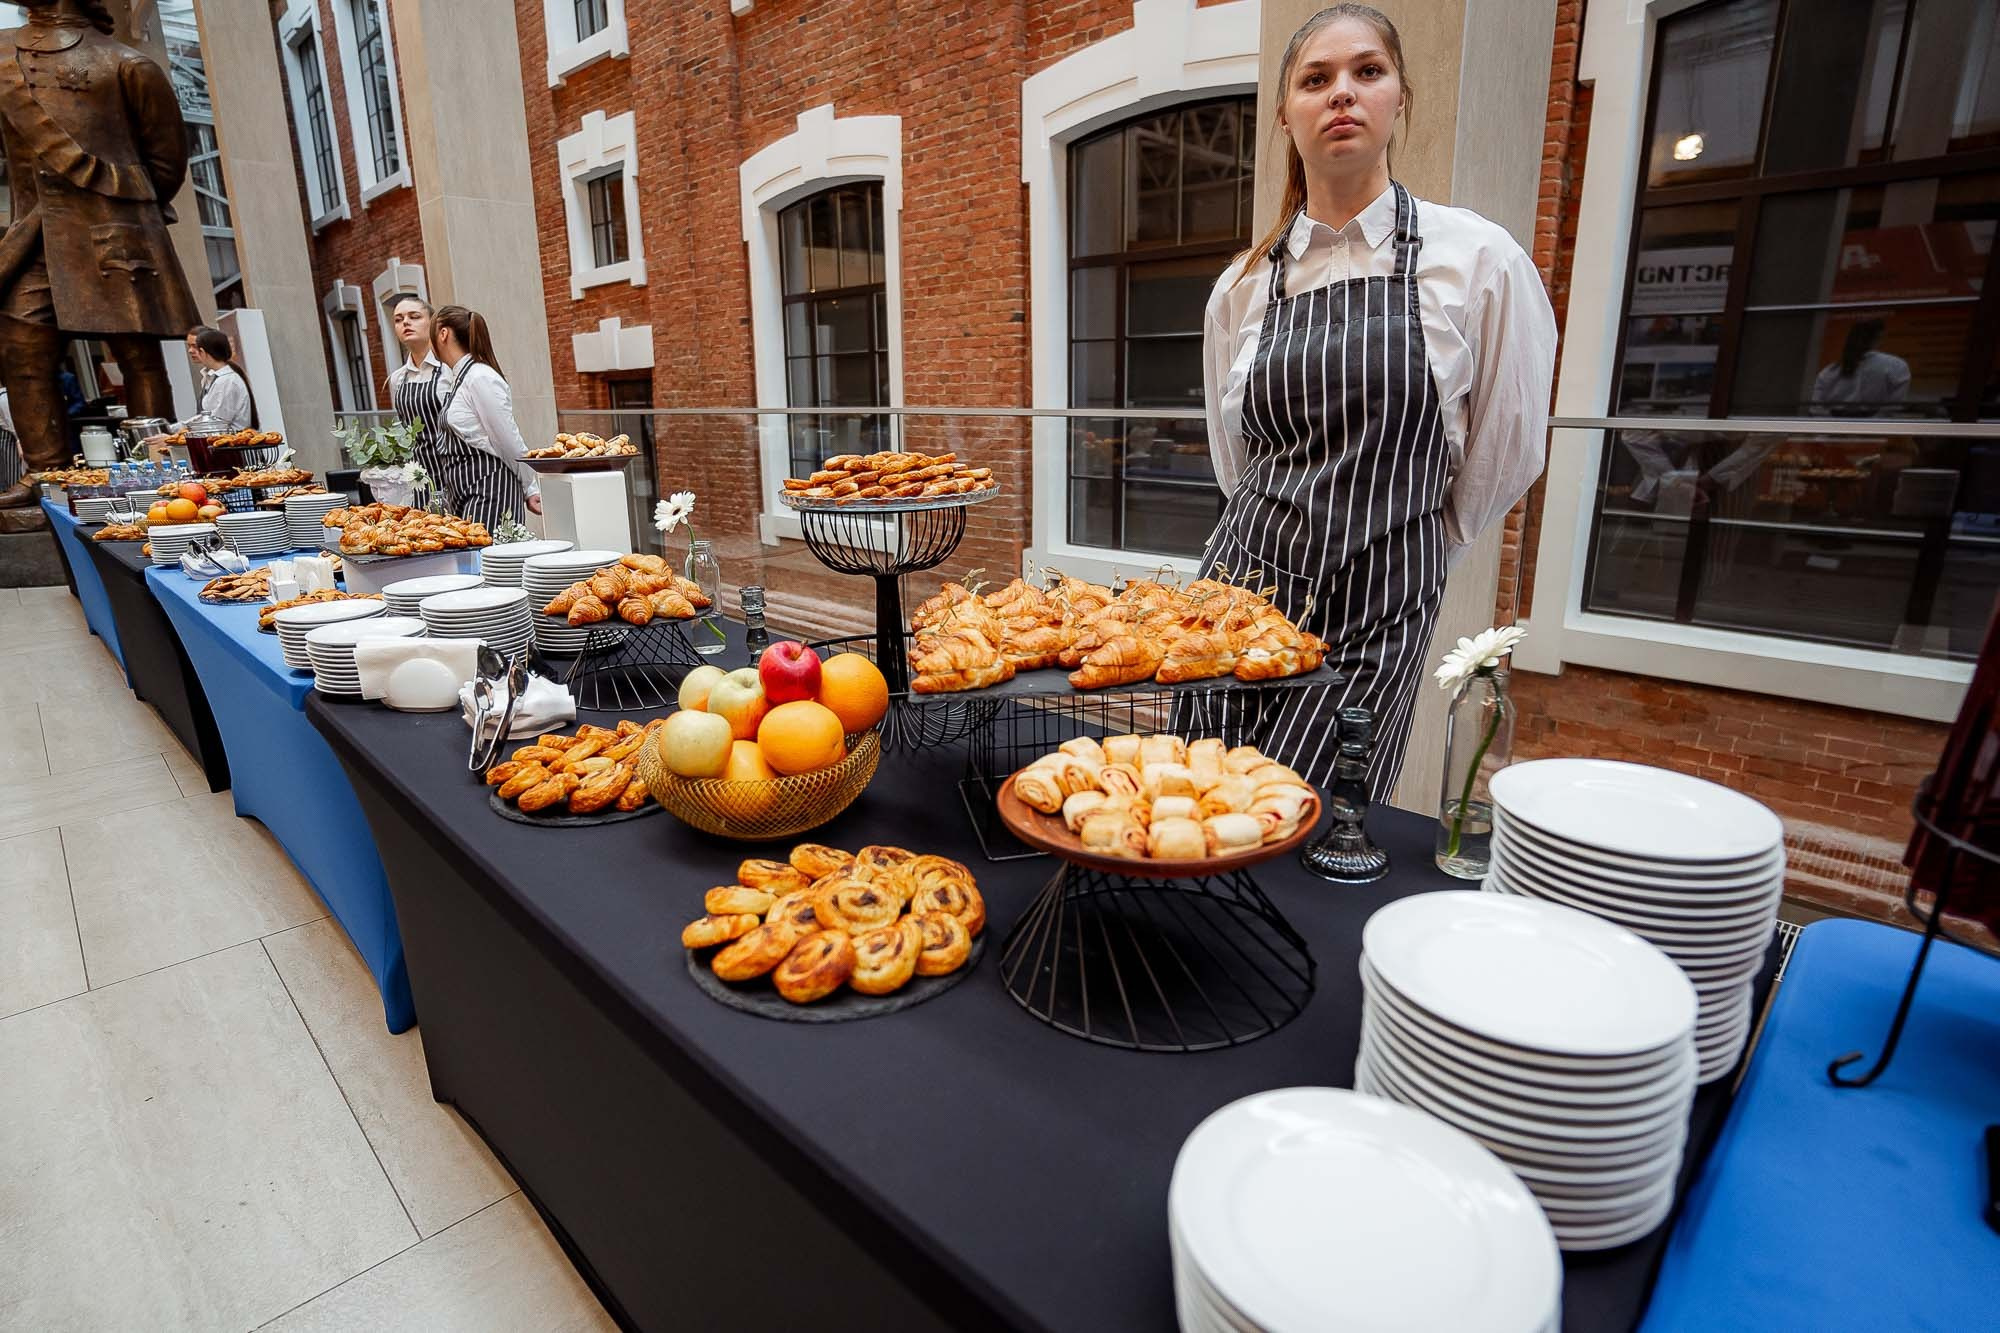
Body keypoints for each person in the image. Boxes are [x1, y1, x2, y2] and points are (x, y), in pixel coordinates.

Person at [1198, 4, 1555, 794]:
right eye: (1315, 80)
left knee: (1321, 816)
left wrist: (1415, 548)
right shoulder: (1244, 286)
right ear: (1287, 114)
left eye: (1368, 71)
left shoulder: (1479, 259)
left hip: (1382, 601)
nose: (1342, 95)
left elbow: (1510, 442)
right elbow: (1238, 463)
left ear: (1400, 97)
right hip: (1238, 592)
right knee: (1196, 799)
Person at [430, 304, 540, 528]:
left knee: (486, 562)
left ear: (443, 334)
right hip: (468, 493)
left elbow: (508, 439)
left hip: (492, 491)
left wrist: (531, 487)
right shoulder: (460, 377)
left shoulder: (480, 377)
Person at [145, 325, 270, 461]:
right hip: (223, 452)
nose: (191, 351)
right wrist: (172, 430)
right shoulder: (213, 378)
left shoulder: (226, 382)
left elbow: (214, 425)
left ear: (203, 351)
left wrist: (173, 438)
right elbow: (205, 418)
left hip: (234, 454)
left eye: (194, 347)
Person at [383, 294, 446, 503]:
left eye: (414, 316)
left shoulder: (448, 371)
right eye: (399, 319)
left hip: (455, 475)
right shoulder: (398, 379)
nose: (406, 323)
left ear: (433, 322)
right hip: (419, 479)